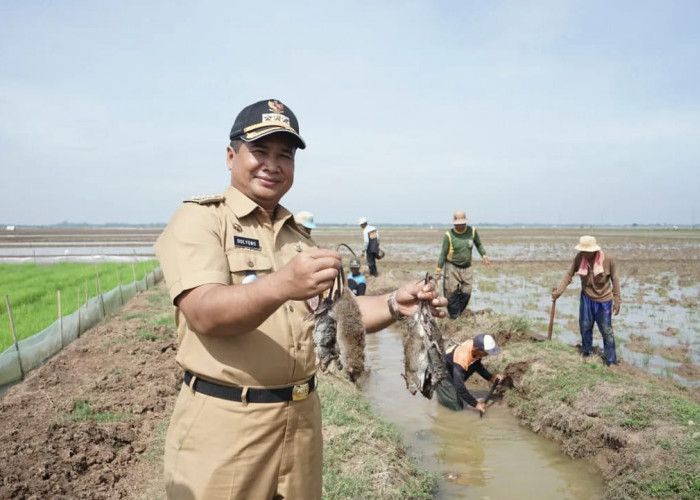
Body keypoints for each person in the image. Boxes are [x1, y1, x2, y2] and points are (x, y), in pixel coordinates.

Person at [154, 98, 447, 500]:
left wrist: (397, 304)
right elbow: (204, 311)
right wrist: (282, 284)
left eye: (284, 155)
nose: (272, 165)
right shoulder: (202, 220)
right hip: (226, 423)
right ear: (230, 155)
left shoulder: (299, 239)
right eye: (260, 152)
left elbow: (340, 313)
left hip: (302, 421)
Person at [551, 235, 620, 369]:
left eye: (586, 251)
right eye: (582, 251)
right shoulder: (579, 258)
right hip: (587, 297)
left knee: (606, 330)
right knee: (585, 327)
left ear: (594, 250)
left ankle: (611, 361)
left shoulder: (608, 260)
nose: (584, 253)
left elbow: (615, 279)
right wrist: (559, 292)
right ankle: (587, 353)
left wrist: (617, 300)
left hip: (604, 300)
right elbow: (568, 274)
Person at [436, 210, 492, 319]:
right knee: (451, 292)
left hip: (467, 266)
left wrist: (484, 257)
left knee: (466, 292)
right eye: (458, 224)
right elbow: (443, 253)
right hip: (452, 266)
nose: (460, 226)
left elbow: (479, 245)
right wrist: (438, 270)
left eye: (462, 224)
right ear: (454, 224)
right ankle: (454, 317)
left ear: (465, 222)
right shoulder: (449, 235)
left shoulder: (472, 231)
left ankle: (458, 313)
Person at [436, 333, 503, 415]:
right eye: (486, 353)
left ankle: (455, 394)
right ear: (477, 349)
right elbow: (459, 386)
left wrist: (491, 378)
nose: (487, 355)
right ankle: (445, 398)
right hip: (442, 370)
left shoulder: (475, 348)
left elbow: (477, 365)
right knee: (456, 407)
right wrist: (476, 404)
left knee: (457, 386)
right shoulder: (462, 358)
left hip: (454, 366)